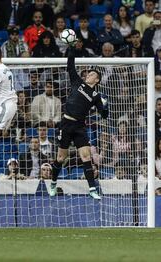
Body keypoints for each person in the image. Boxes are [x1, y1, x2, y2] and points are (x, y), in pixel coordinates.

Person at [49, 41, 109, 200]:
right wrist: (71, 47)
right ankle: (53, 182)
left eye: (92, 74)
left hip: (80, 127)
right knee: (61, 158)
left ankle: (92, 189)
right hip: (66, 123)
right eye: (89, 73)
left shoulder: (96, 96)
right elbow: (70, 65)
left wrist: (105, 106)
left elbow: (103, 115)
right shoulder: (77, 82)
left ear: (97, 80)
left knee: (86, 157)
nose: (89, 74)